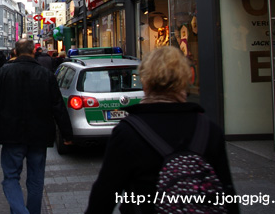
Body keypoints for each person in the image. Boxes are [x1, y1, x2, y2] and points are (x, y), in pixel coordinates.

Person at [84, 46, 238, 213]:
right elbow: (227, 195)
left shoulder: (127, 132)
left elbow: (104, 197)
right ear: (185, 80)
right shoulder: (209, 130)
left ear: (145, 82)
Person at [0, 38, 73, 214]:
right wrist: (67, 134)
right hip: (39, 135)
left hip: (10, 134)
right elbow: (58, 106)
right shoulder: (46, 75)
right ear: (33, 51)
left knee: (11, 177)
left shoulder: (4, 73)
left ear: (15, 52)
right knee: (36, 179)